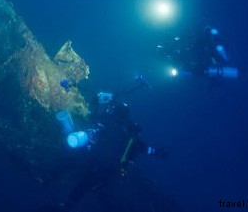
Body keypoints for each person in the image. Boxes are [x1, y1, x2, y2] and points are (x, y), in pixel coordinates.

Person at [51, 77, 167, 210]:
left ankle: (52, 183)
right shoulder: (130, 132)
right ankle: (69, 204)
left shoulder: (107, 120)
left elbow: (91, 117)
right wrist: (158, 152)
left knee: (76, 172)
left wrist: (95, 102)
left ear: (115, 112)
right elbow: (144, 149)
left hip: (93, 157)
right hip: (107, 167)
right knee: (91, 185)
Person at [158, 26, 237, 80]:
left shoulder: (190, 45)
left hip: (202, 60)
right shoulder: (183, 53)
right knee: (204, 68)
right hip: (202, 61)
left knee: (204, 68)